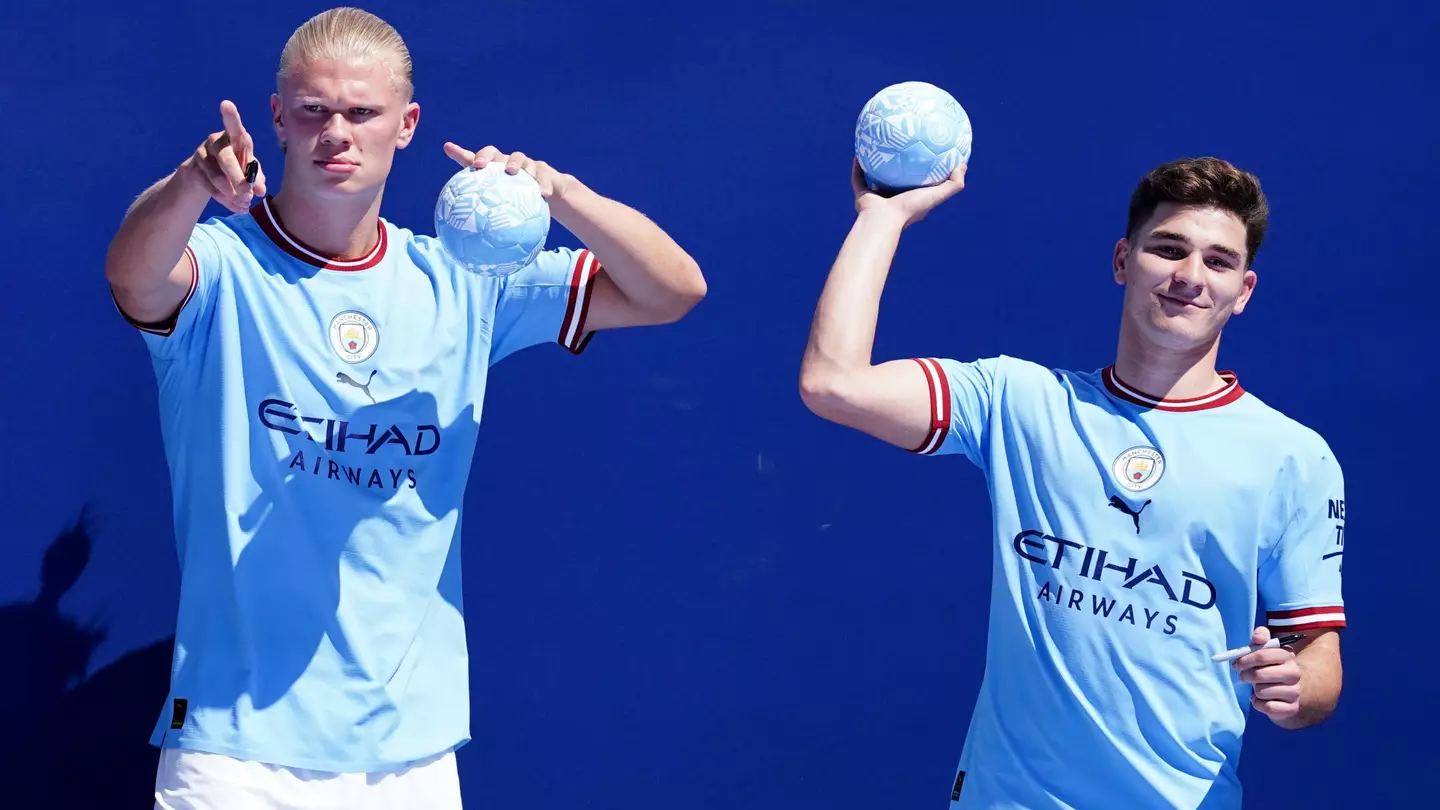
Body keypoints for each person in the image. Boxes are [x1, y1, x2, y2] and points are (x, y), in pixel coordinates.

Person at [105, 7, 705, 808]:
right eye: (314, 111)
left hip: (410, 758)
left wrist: (556, 192)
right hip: (234, 754)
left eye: (362, 113)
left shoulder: (465, 281)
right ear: (279, 118)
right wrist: (192, 182)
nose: (336, 133)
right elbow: (133, 278)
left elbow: (672, 290)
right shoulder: (220, 266)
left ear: (408, 124)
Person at [798, 156, 1345, 808]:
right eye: (1167, 250)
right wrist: (882, 217)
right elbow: (833, 384)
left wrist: (1293, 687)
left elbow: (1318, 662)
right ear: (1122, 260)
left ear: (1244, 290)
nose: (1190, 277)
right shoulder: (1017, 401)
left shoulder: (1294, 456)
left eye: (1218, 261)